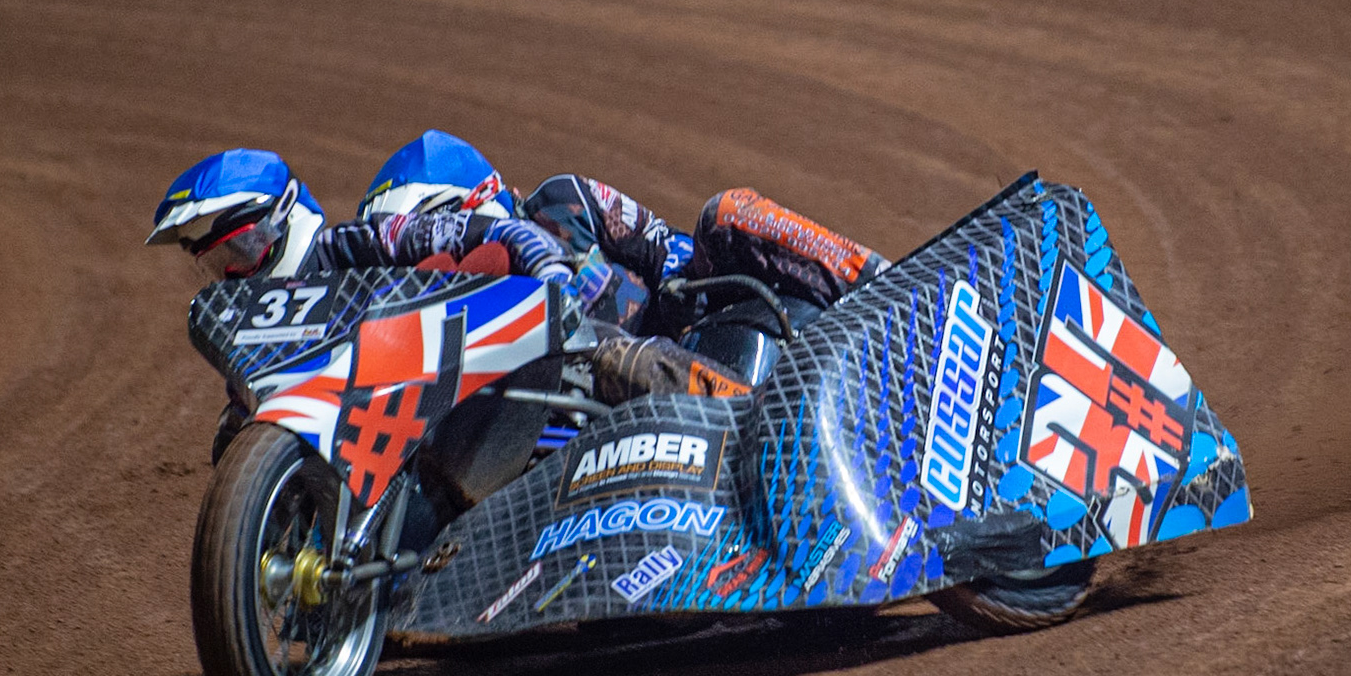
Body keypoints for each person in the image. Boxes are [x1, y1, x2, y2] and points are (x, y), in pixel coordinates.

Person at [356, 131, 893, 403]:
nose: (425, 256)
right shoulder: (442, 329)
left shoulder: (560, 201)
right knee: (604, 357)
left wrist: (678, 290)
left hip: (687, 327)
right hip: (591, 420)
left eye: (431, 229)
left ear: (471, 200)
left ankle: (889, 287)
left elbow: (660, 244)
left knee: (724, 213)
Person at [148, 148, 575, 463]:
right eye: (215, 264)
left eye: (239, 251)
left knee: (473, 264)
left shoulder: (359, 241)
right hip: (362, 453)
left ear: (283, 217)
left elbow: (497, 233)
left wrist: (554, 276)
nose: (232, 274)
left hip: (451, 404)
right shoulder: (249, 332)